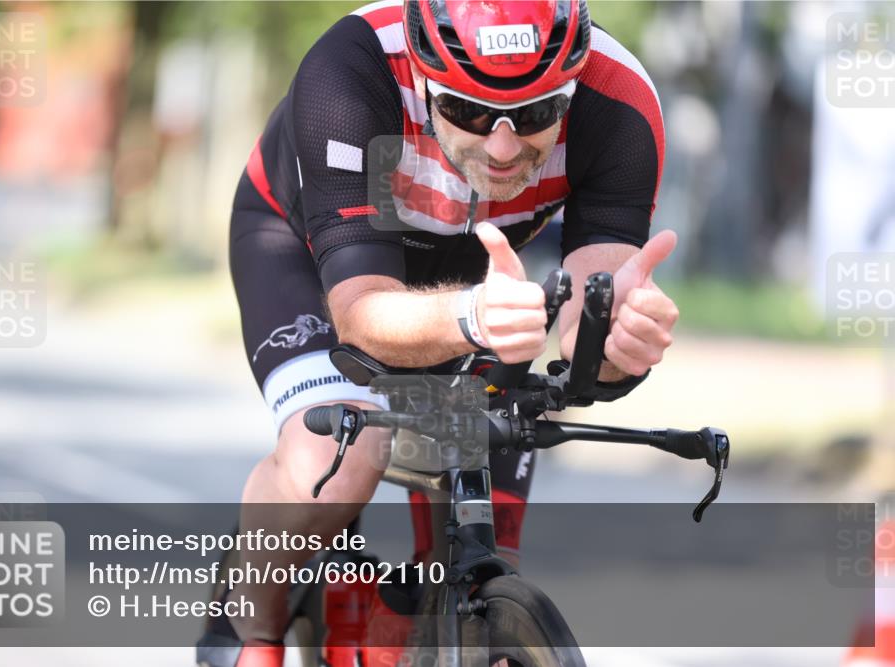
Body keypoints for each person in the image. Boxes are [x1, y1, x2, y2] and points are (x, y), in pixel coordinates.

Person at [199, 1, 677, 665]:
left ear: (573, 82)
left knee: (483, 538)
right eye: (471, 112)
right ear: (423, 80)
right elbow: (363, 314)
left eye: (538, 114)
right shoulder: (350, 70)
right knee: (336, 464)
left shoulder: (618, 100)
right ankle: (247, 622)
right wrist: (473, 315)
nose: (504, 148)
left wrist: (619, 344)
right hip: (311, 255)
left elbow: (589, 320)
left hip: (478, 269)